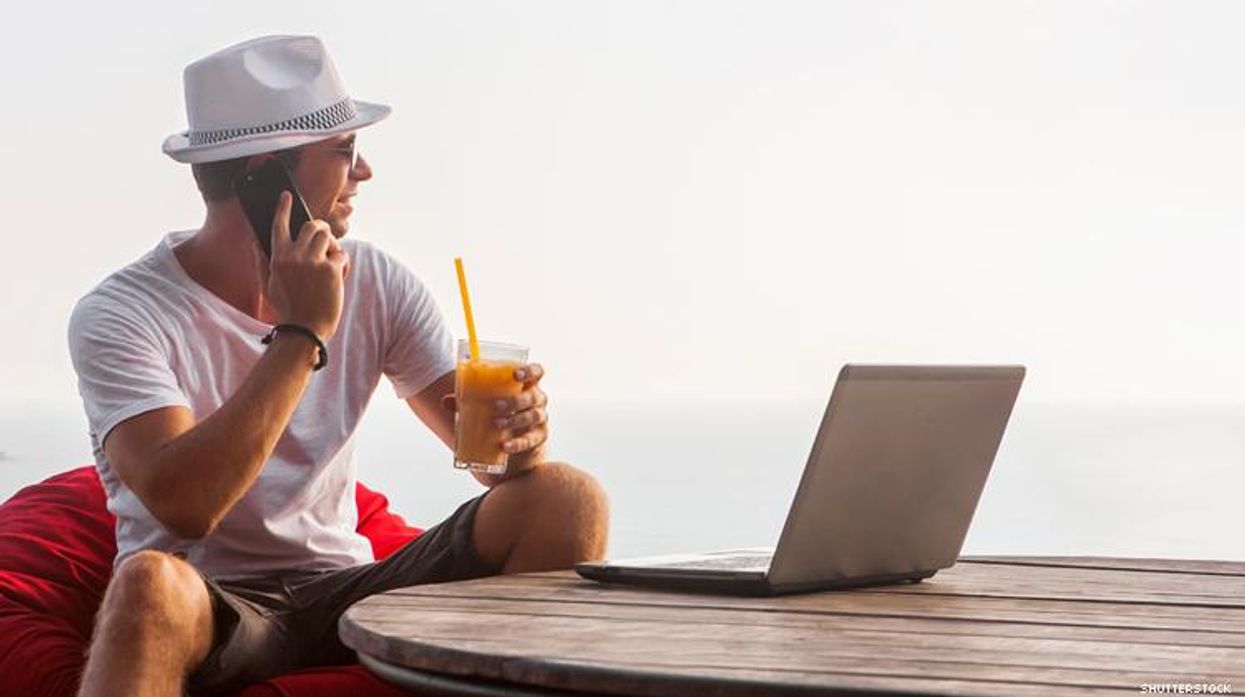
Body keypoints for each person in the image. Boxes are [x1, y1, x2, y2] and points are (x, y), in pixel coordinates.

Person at [67, 35, 609, 697]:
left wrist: (518, 435)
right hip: (213, 607)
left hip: (349, 589)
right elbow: (186, 505)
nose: (364, 173)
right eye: (344, 152)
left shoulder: (377, 280)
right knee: (147, 584)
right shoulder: (122, 313)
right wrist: (300, 334)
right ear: (265, 176)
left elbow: (491, 461)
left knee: (567, 496)